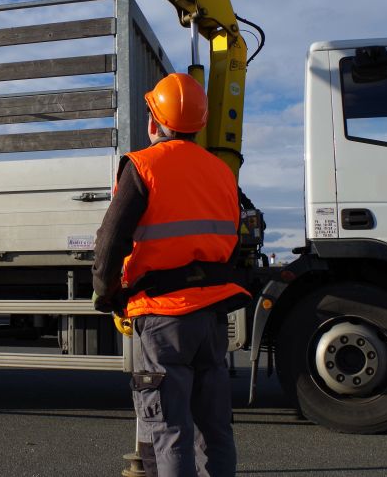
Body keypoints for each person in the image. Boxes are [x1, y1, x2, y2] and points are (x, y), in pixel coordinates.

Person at [92, 73, 251, 477]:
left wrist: (106, 294)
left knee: (169, 429)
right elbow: (233, 241)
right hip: (211, 314)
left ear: (152, 122)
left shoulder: (143, 166)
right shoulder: (221, 174)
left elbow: (110, 242)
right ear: (199, 124)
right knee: (214, 428)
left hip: (162, 315)